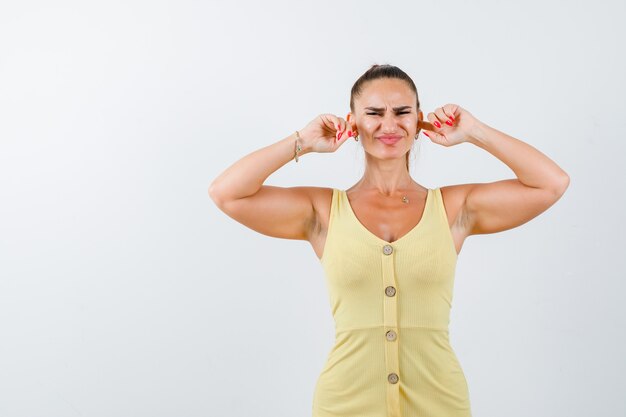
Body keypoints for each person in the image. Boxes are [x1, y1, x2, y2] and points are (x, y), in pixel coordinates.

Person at [208, 64, 569, 417]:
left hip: (440, 402)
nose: (389, 125)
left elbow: (551, 183)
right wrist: (301, 141)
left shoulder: (453, 208)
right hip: (345, 403)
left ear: (419, 120)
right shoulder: (322, 211)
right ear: (352, 122)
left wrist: (474, 131)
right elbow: (227, 193)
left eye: (402, 112)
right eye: (374, 113)